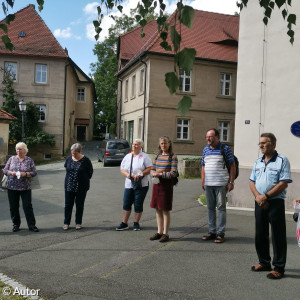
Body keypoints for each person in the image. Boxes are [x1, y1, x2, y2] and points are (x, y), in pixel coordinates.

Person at [249, 133, 292, 280]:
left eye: (264, 143)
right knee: (260, 234)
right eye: (259, 143)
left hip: (275, 202)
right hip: (259, 202)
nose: (260, 145)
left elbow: (283, 183)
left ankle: (279, 268)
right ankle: (264, 263)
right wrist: (258, 197)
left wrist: (266, 196)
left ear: (273, 144)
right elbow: (251, 182)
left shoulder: (282, 160)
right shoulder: (258, 162)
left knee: (278, 236)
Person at [201, 128, 236, 243]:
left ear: (217, 137)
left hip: (221, 184)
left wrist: (231, 182)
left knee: (221, 208)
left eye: (210, 136)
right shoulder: (205, 149)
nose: (208, 138)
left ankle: (220, 233)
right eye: (207, 136)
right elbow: (203, 166)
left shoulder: (225, 148)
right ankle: (212, 232)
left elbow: (232, 165)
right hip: (209, 184)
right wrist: (203, 180)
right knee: (210, 208)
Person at [116, 139, 152, 231]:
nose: (135, 146)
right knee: (126, 203)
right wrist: (127, 174)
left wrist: (140, 174)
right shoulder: (127, 156)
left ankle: (136, 223)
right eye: (133, 144)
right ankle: (124, 223)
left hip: (141, 184)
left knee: (138, 204)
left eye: (137, 144)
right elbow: (122, 169)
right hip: (129, 184)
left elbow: (149, 169)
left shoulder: (144, 156)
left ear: (141, 146)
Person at [3, 142, 39, 232]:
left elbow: (34, 172)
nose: (18, 151)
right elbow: (4, 170)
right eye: (17, 149)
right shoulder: (11, 159)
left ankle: (31, 225)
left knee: (27, 206)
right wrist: (11, 173)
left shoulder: (29, 160)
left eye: (20, 149)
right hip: (12, 187)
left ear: (25, 150)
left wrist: (26, 174)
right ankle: (16, 224)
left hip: (25, 187)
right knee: (13, 207)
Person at [150, 136, 178, 243]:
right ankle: (159, 232)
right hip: (156, 184)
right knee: (157, 208)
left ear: (169, 144)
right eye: (161, 143)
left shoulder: (173, 157)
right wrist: (153, 173)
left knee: (165, 209)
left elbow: (173, 173)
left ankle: (166, 233)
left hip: (166, 186)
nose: (163, 145)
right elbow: (153, 168)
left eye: (165, 143)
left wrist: (160, 174)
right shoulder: (157, 156)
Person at [63, 143, 93, 230]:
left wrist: (83, 179)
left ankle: (78, 222)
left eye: (75, 153)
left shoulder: (86, 160)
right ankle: (66, 222)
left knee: (79, 205)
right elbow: (67, 168)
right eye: (72, 153)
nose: (73, 155)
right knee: (68, 205)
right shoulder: (69, 159)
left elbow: (90, 172)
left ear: (80, 151)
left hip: (81, 187)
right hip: (69, 185)